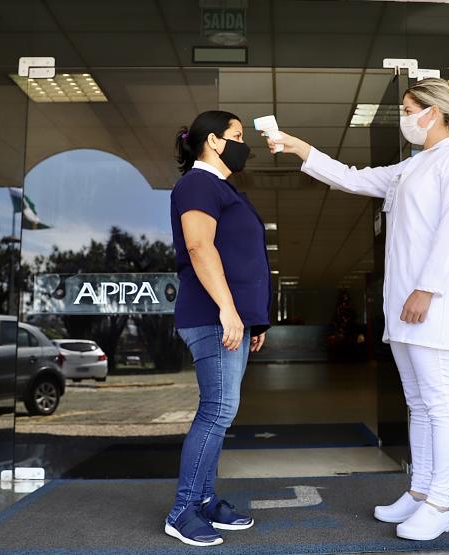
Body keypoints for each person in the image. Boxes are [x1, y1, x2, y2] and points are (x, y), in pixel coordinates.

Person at [265, 78, 449, 541]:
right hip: (402, 304)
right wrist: (298, 147)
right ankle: (419, 492)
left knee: (440, 402)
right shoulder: (409, 167)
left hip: (432, 300)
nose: (404, 117)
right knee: (418, 404)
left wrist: (426, 289)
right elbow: (350, 176)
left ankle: (442, 502)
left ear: (435, 112)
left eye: (409, 108)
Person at [166, 110, 271, 547]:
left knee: (220, 411)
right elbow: (198, 245)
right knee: (217, 411)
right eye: (237, 135)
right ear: (212, 141)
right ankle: (183, 510)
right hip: (212, 316)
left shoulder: (223, 188)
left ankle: (207, 501)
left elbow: (239, 258)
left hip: (231, 319)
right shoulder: (197, 183)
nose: (244, 144)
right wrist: (228, 309)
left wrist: (253, 318)